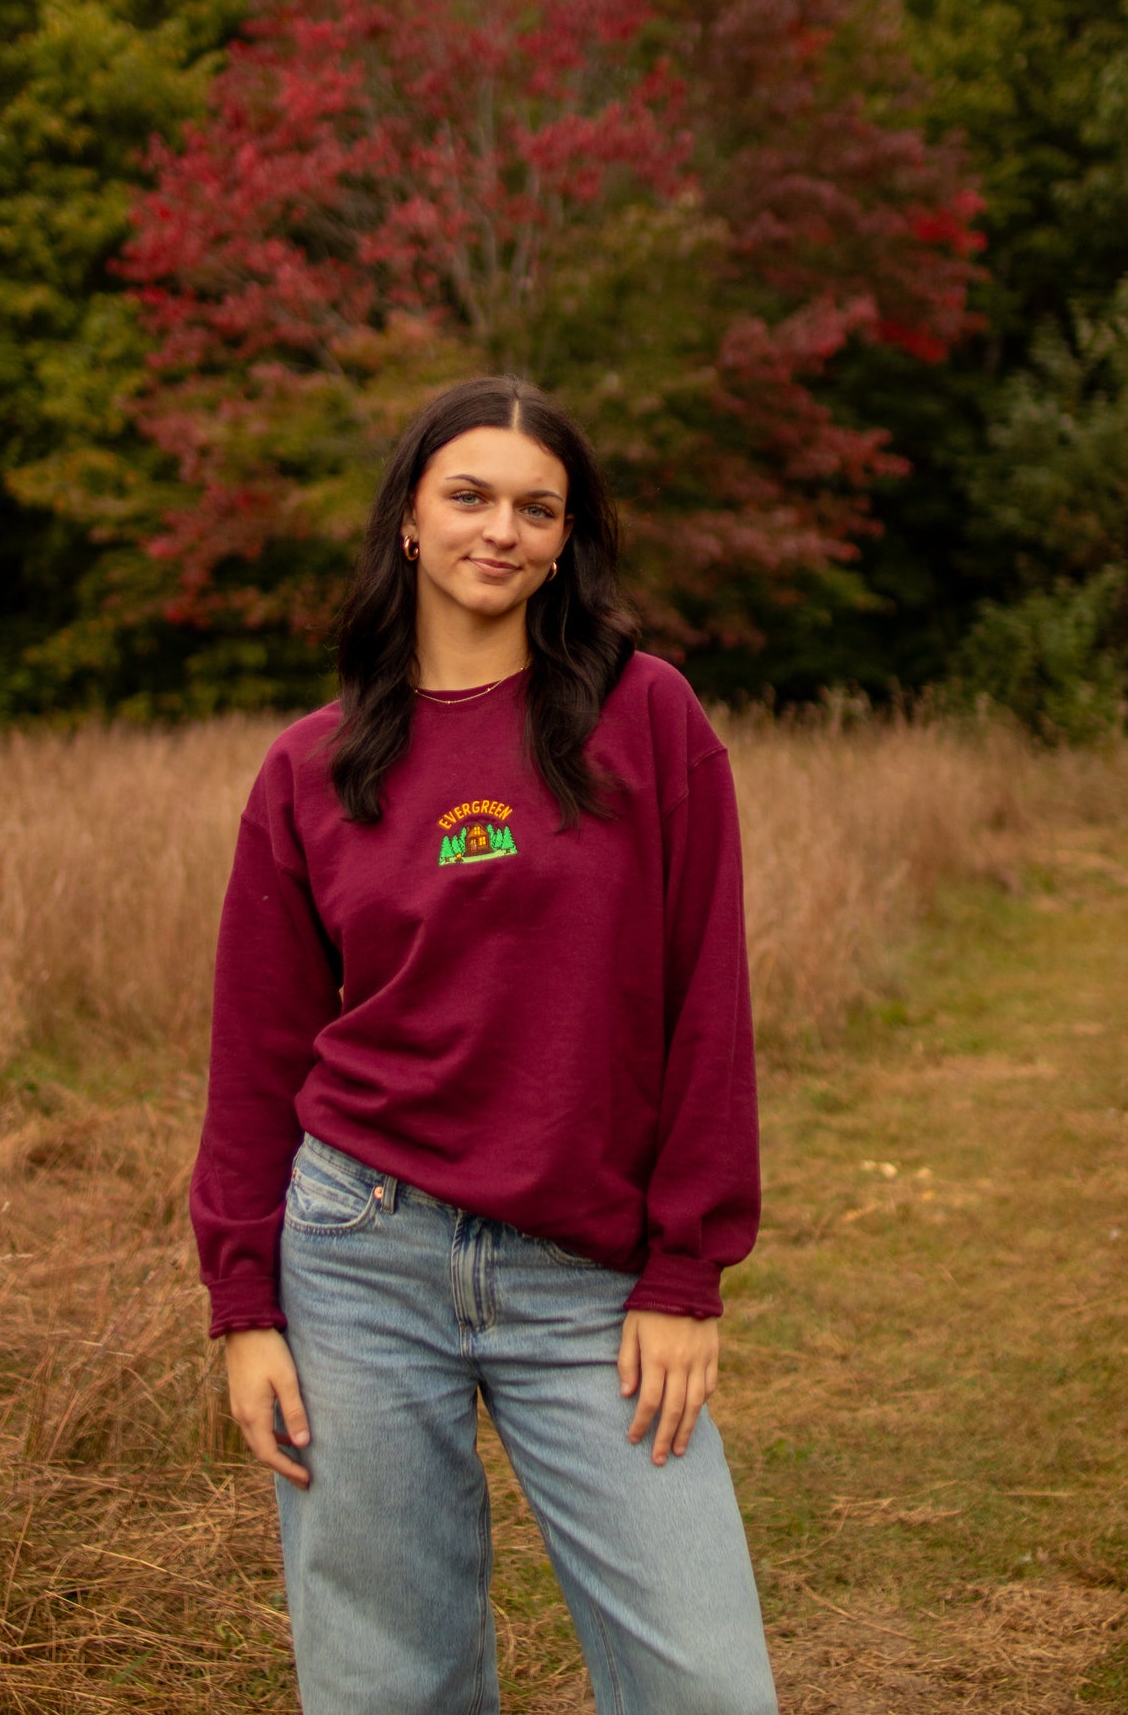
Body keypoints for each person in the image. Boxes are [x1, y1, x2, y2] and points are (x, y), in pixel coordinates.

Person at [190, 375, 779, 1715]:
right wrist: (244, 1306)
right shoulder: (312, 769)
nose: (498, 529)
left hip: (587, 1274)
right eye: (468, 496)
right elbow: (257, 1060)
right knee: (387, 1683)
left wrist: (684, 1271)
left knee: (706, 1683)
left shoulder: (644, 719)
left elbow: (707, 1004)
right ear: (408, 518)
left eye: (535, 507)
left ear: (567, 541)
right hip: (355, 1260)